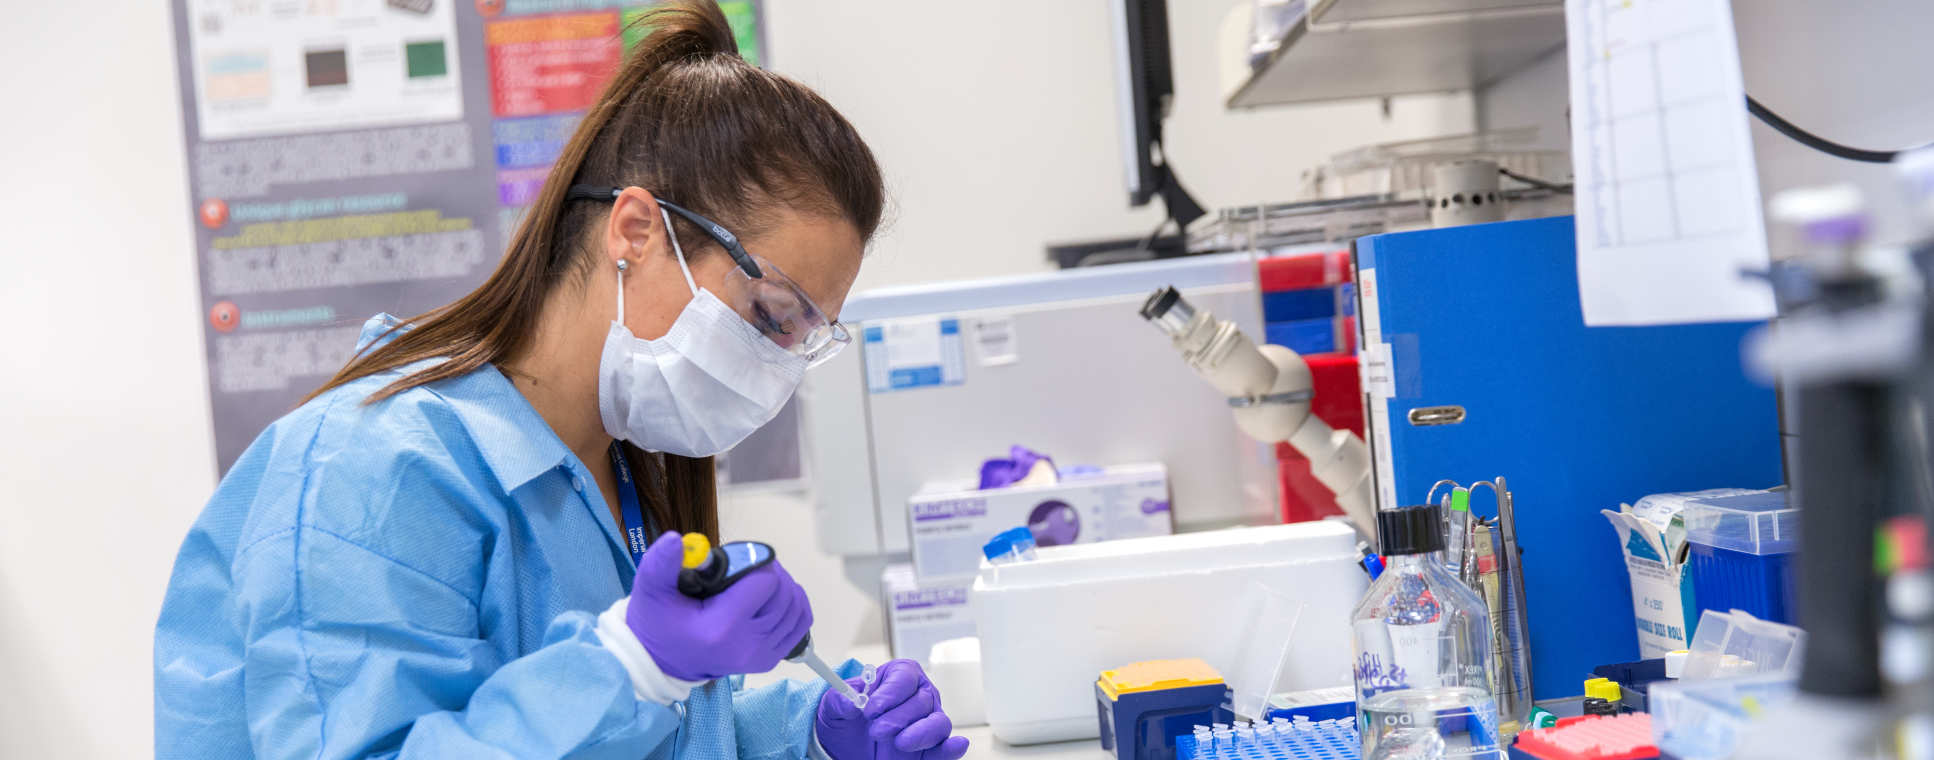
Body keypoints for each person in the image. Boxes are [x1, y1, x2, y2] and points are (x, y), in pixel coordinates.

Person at [153, 3, 968, 758]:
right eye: (771, 313)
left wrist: (812, 736)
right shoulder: (368, 468)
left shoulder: (612, 473)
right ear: (637, 230)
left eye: (806, 338)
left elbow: (650, 740)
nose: (778, 364)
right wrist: (632, 666)